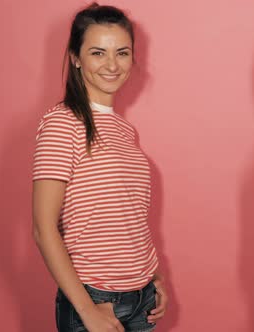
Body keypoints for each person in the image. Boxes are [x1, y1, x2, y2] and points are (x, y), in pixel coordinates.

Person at [32, 4, 167, 331]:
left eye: (122, 53)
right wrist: (87, 311)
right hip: (94, 299)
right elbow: (43, 228)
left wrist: (154, 277)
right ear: (76, 58)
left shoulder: (125, 131)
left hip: (142, 298)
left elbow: (126, 216)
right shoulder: (62, 123)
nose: (111, 64)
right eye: (97, 52)